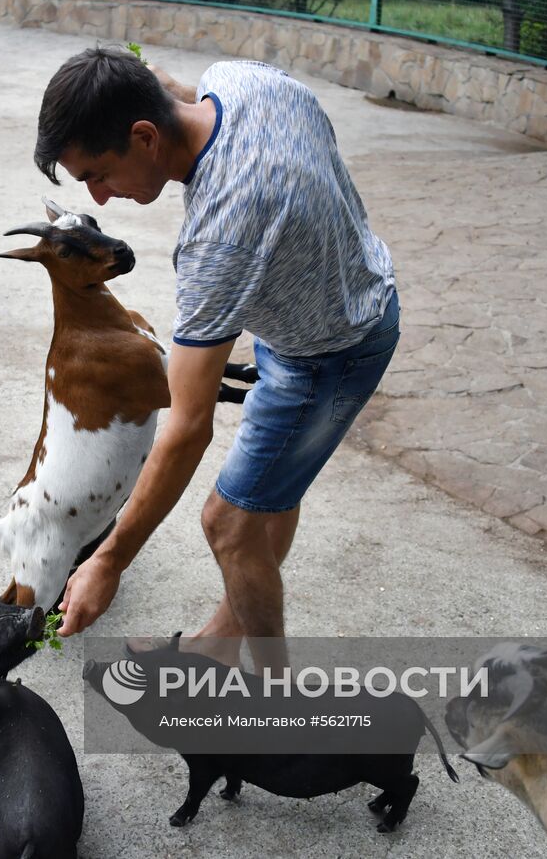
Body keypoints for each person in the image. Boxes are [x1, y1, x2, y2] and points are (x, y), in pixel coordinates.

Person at [34, 49, 399, 672]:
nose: (101, 196)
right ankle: (220, 644)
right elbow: (164, 86)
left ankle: (274, 690)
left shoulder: (220, 240)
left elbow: (185, 427)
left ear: (143, 137)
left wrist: (107, 560)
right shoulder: (244, 80)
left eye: (97, 173)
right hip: (350, 289)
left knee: (228, 522)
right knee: (268, 494)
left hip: (329, 353)